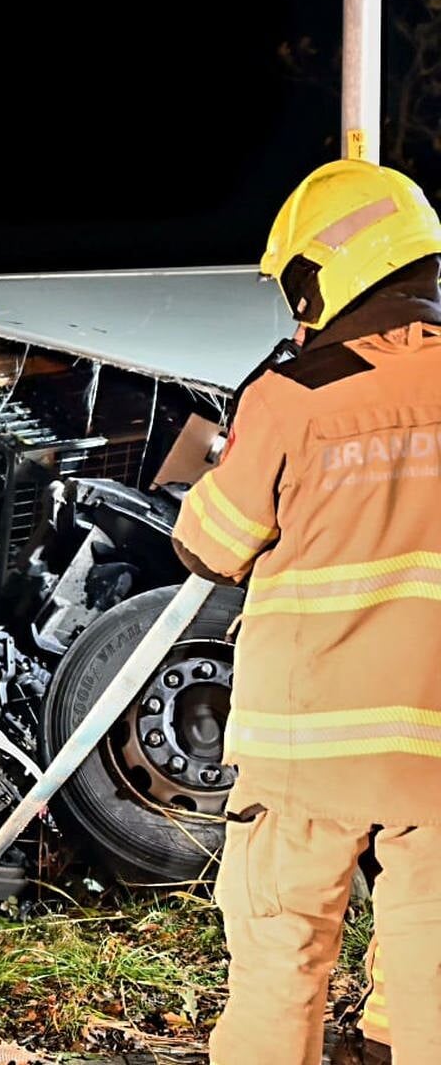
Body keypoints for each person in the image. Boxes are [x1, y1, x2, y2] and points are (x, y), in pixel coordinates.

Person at [172, 159, 441, 1065]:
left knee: (281, 946)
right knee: (434, 951)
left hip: (307, 740)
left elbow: (211, 546)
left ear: (329, 269)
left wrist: (224, 454)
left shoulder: (291, 398)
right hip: (438, 739)